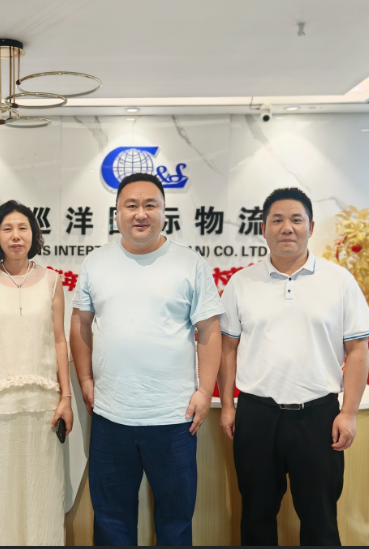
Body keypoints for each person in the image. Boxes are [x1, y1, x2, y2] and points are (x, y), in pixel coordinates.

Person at [70, 173, 225, 546]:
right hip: (111, 416)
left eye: (150, 205)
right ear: (117, 213)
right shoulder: (96, 262)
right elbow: (80, 323)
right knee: (111, 520)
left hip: (174, 418)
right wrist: (86, 380)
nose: (140, 213)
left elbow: (209, 330)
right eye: (131, 205)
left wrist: (205, 391)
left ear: (164, 211)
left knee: (175, 521)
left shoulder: (190, 263)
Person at [217, 187, 369, 546]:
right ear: (263, 228)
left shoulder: (339, 281)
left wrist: (348, 413)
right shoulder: (241, 282)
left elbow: (358, 350)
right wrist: (227, 406)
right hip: (256, 415)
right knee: (255, 516)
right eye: (277, 220)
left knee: (320, 519)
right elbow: (228, 348)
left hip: (319, 417)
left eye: (296, 220)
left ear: (311, 227)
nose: (286, 227)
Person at [0, 200, 73, 546]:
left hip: (42, 408)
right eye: (7, 228)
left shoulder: (52, 281)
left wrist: (66, 397)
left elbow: (59, 340)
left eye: (23, 228)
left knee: (40, 493)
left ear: (33, 234)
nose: (16, 235)